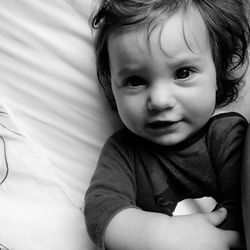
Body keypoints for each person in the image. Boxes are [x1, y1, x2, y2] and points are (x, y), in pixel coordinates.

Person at [84, 0, 250, 249]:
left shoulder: (229, 137)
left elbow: (242, 208)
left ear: (219, 72)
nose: (159, 101)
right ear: (112, 88)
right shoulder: (123, 152)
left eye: (182, 73)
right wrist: (162, 235)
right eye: (135, 81)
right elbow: (101, 211)